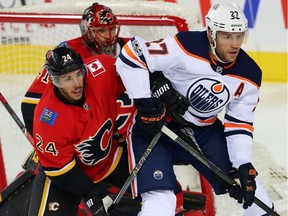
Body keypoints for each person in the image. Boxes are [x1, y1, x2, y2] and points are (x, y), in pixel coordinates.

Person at [115, 3, 276, 216]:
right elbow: (131, 56)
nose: (235, 44)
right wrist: (147, 102)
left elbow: (239, 123)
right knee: (161, 202)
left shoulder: (249, 74)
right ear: (211, 33)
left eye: (239, 36)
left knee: (251, 191)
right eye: (227, 36)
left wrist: (243, 164)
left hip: (205, 132)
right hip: (156, 128)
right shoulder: (186, 46)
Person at [28, 46, 132, 215]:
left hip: (111, 157)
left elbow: (135, 71)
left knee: (155, 189)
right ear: (54, 81)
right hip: (68, 174)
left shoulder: (101, 69)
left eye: (78, 74)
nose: (77, 83)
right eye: (67, 79)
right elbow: (60, 171)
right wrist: (90, 192)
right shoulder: (48, 119)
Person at [21, 2, 128, 135]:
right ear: (87, 31)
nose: (109, 36)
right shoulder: (67, 54)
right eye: (101, 30)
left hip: (123, 131)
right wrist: (39, 137)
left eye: (112, 28)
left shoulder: (129, 48)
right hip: (84, 136)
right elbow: (30, 102)